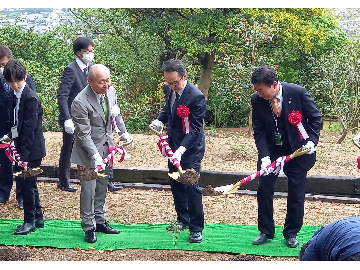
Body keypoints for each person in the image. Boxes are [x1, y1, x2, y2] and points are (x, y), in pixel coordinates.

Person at [250, 64, 322, 248]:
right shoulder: (257, 100)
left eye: (261, 90)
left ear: (274, 85)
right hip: (272, 149)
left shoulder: (298, 93)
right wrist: (264, 156)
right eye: (256, 90)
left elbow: (315, 118)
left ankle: (291, 232)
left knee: (296, 191)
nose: (259, 94)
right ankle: (266, 230)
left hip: (297, 148)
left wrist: (311, 141)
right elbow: (258, 130)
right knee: (264, 188)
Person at [70, 64, 134, 243]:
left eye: (108, 80)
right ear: (89, 81)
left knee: (102, 187)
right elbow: (83, 133)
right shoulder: (80, 102)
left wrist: (123, 132)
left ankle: (100, 220)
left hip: (107, 148)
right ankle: (89, 226)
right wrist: (95, 156)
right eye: (101, 82)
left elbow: (116, 115)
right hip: (87, 152)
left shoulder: (111, 91)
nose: (106, 85)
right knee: (88, 191)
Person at [149, 59, 206, 243]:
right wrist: (160, 120)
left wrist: (181, 151)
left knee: (190, 184)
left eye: (175, 82)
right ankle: (183, 218)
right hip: (173, 142)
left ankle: (196, 228)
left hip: (191, 147)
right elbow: (169, 109)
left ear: (184, 77)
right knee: (175, 182)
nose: (172, 86)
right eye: (168, 82)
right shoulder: (169, 90)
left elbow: (195, 130)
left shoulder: (196, 97)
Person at [0, 59, 45, 235]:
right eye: (12, 82)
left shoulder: (30, 97)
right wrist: (9, 136)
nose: (16, 85)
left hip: (31, 148)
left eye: (19, 80)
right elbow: (15, 123)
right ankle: (38, 216)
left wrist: (23, 156)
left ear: (25, 77)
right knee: (30, 183)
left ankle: (29, 221)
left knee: (25, 182)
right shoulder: (13, 94)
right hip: (20, 145)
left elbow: (29, 129)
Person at [0, 45, 37, 209]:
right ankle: (3, 191)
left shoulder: (24, 79)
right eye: (1, 65)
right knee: (5, 158)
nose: (3, 68)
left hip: (20, 126)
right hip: (3, 124)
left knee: (21, 159)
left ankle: (22, 196)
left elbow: (32, 105)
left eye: (5, 64)